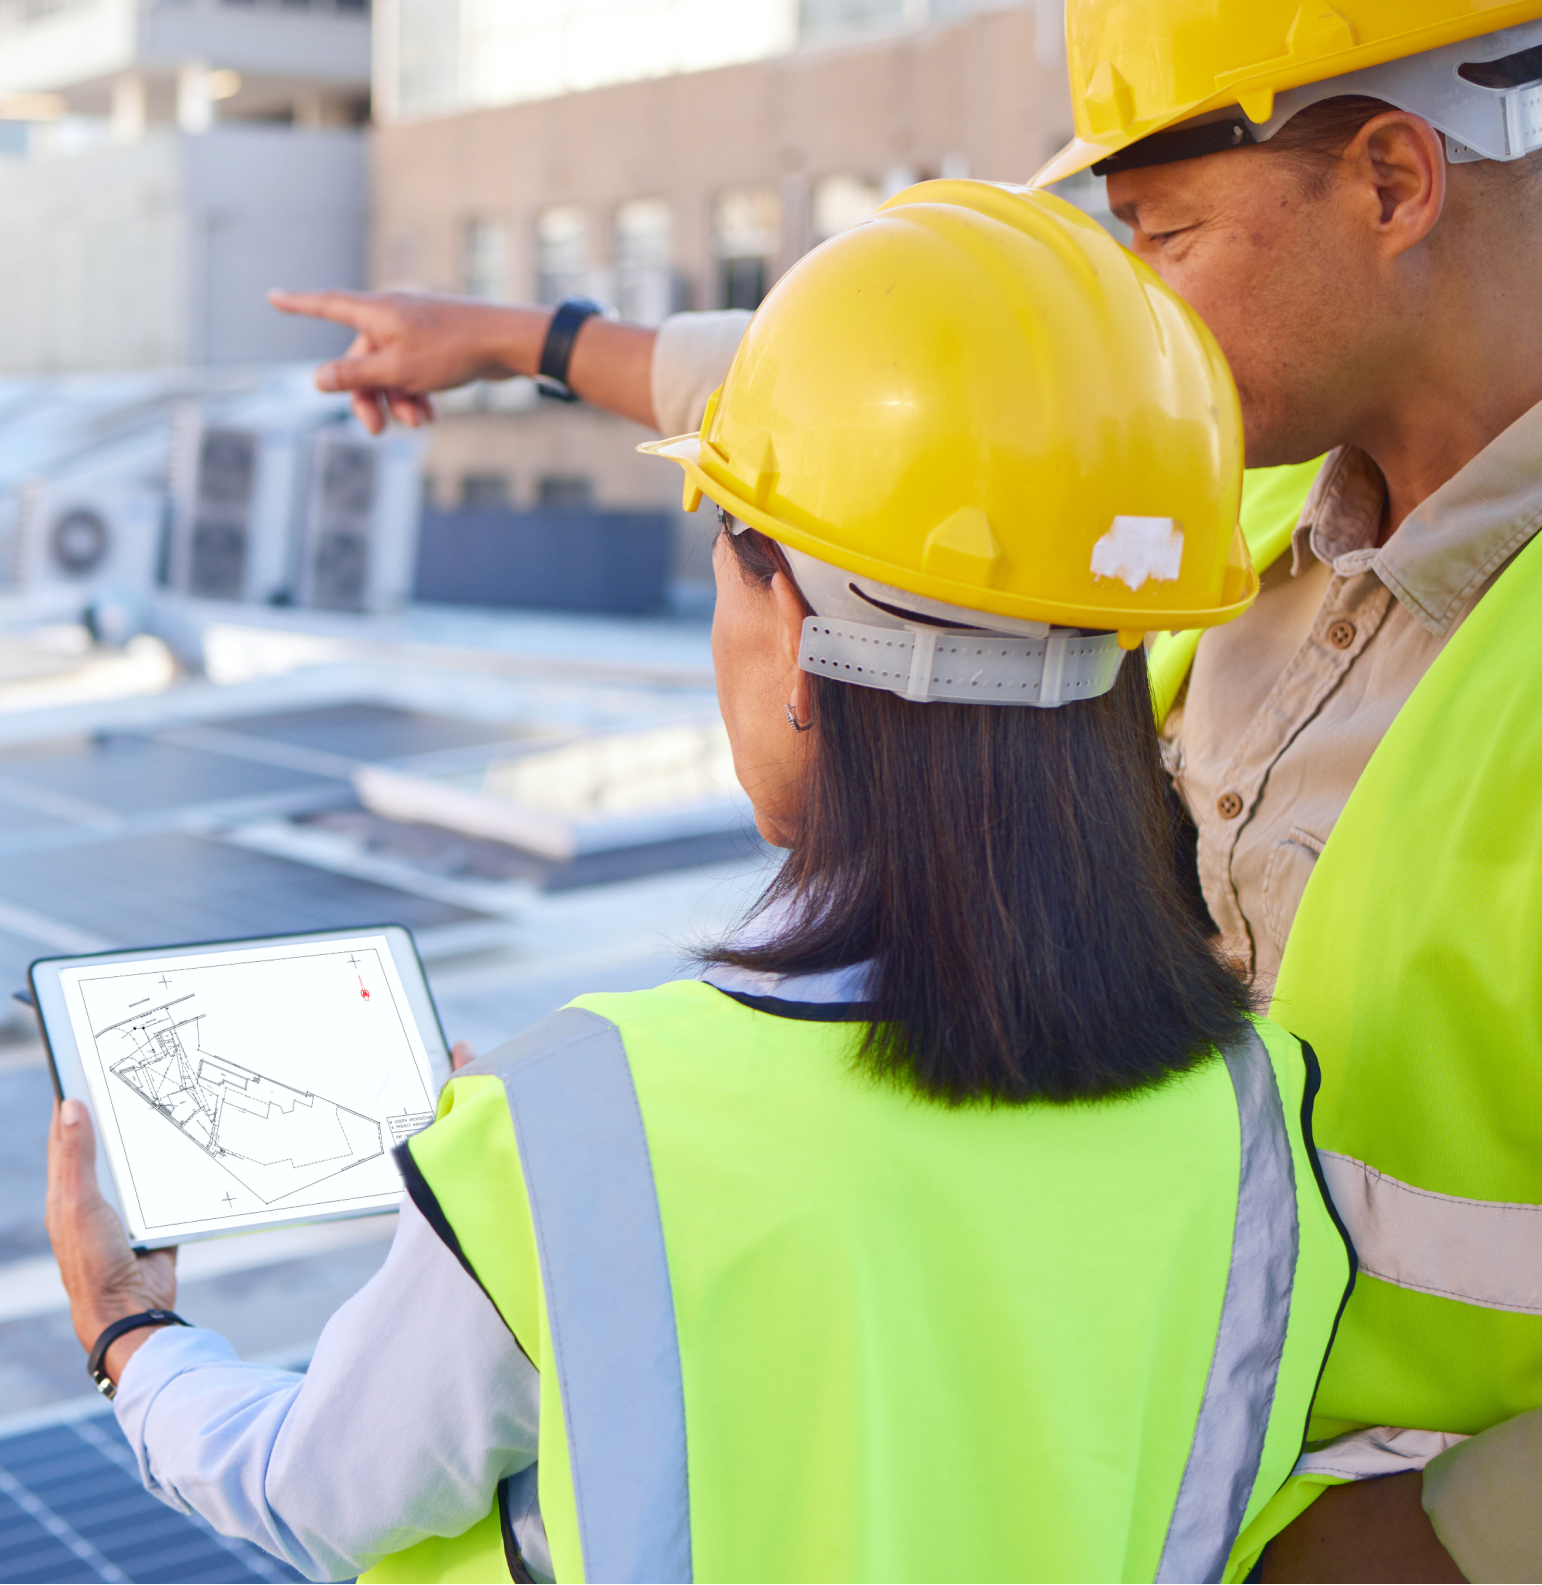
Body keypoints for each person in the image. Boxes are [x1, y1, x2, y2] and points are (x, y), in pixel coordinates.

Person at [272, 8, 1542, 1572]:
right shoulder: (1229, 501)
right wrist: (522, 342)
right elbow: (907, 404)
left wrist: (1427, 1546)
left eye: (1165, 237)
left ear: (1395, 181)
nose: (1123, 313)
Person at [47, 180, 1355, 1583]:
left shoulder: (578, 1124)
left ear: (790, 627)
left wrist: (133, 1333)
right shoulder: (1253, 1104)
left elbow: (313, 1489)